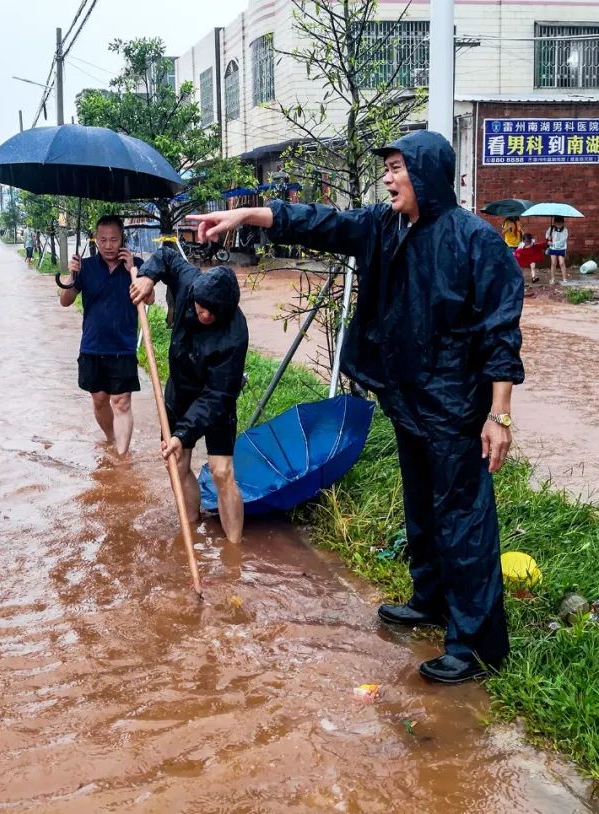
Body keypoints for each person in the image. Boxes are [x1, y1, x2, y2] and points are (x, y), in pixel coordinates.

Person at [186, 130, 524, 684]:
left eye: (398, 168)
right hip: (408, 397)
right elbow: (318, 221)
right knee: (422, 506)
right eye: (387, 168)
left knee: (463, 520)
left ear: (428, 173)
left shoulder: (475, 242)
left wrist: (499, 413)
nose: (388, 178)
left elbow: (500, 332)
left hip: (457, 406)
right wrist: (245, 214)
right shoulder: (383, 228)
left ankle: (476, 645)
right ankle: (430, 600)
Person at [129, 248, 248, 545]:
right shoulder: (191, 283)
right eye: (199, 307)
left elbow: (218, 396)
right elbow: (167, 256)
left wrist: (181, 433)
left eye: (211, 311)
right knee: (176, 465)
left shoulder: (234, 335)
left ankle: (234, 553)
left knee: (222, 472)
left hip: (215, 401)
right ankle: (191, 531)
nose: (203, 314)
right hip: (179, 392)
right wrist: (147, 277)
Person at [59, 215, 150, 456]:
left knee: (121, 402)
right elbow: (65, 301)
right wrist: (71, 275)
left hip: (123, 347)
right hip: (92, 346)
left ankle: (122, 457)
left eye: (113, 239)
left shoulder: (137, 265)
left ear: (122, 239)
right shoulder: (85, 267)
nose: (108, 245)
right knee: (99, 400)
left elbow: (149, 299)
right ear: (95, 240)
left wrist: (134, 272)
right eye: (103, 240)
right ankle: (111, 438)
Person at [546, 216, 569, 285]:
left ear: (563, 223)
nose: (559, 225)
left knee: (561, 263)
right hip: (553, 248)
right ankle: (552, 279)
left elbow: (563, 239)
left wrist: (554, 243)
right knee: (553, 263)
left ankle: (564, 278)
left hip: (561, 248)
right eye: (557, 224)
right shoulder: (551, 228)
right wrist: (548, 238)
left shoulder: (565, 230)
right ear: (554, 223)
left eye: (560, 224)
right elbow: (547, 235)